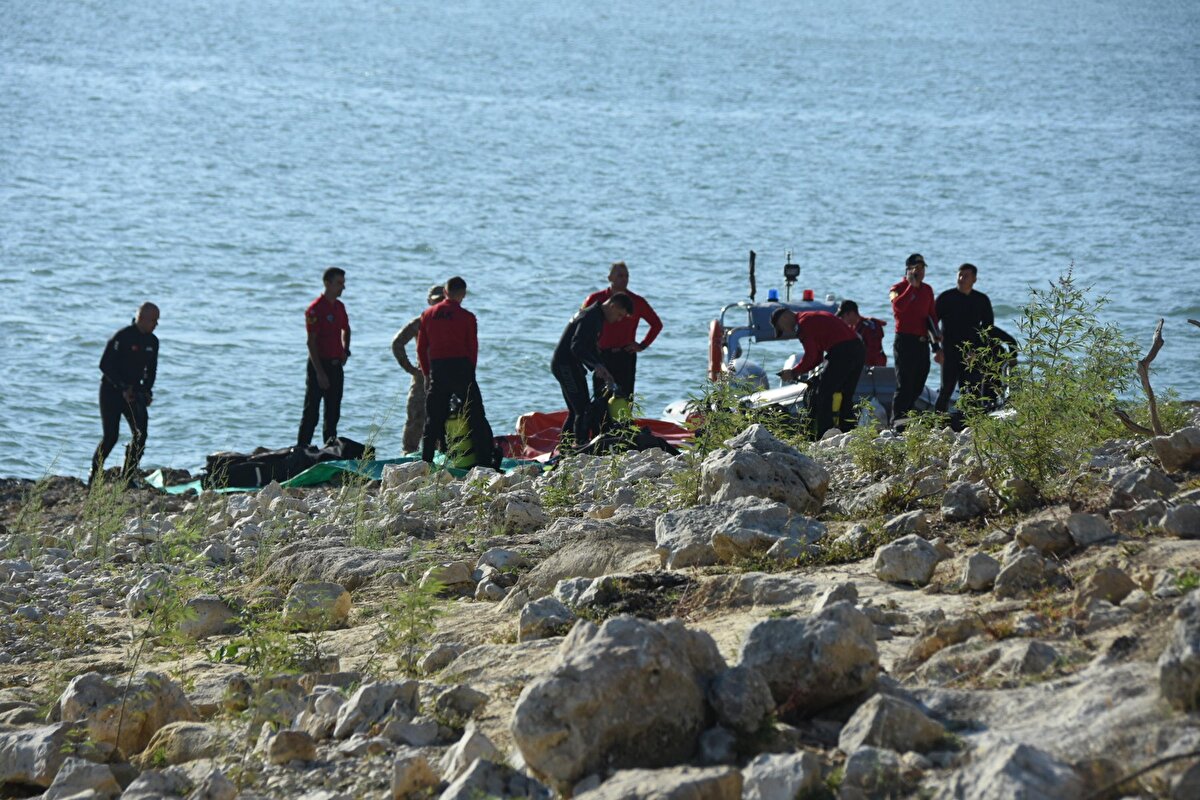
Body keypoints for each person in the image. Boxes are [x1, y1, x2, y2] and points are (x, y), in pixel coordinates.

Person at [417, 276, 496, 467]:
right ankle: (485, 461)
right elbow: (472, 349)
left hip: (438, 369)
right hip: (462, 368)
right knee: (476, 415)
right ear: (464, 295)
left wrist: (427, 374)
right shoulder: (468, 317)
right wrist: (471, 373)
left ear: (445, 292)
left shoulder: (428, 314)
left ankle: (425, 461)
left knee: (433, 418)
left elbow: (421, 348)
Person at [551, 294, 634, 449]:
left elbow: (590, 348)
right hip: (565, 366)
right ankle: (580, 446)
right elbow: (576, 346)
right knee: (582, 409)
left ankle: (565, 448)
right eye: (619, 315)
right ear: (613, 306)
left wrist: (602, 367)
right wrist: (596, 366)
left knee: (575, 409)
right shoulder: (590, 317)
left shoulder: (596, 316)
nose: (618, 320)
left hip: (571, 365)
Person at [89, 302, 160, 486]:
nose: (156, 324)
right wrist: (122, 387)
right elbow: (104, 365)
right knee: (111, 436)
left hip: (134, 394)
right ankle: (95, 475)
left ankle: (126, 477)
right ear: (141, 319)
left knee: (140, 435)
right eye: (153, 320)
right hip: (111, 391)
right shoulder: (123, 336)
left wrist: (147, 390)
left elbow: (151, 371)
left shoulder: (153, 341)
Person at [772, 308, 866, 436]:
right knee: (846, 394)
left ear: (784, 318)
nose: (786, 332)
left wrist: (794, 372)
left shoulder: (803, 323)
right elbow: (816, 357)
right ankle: (848, 431)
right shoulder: (810, 317)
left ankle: (825, 434)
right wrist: (796, 371)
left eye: (781, 328)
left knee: (823, 393)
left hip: (842, 351)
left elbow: (811, 355)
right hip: (857, 349)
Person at [581, 261, 662, 409]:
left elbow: (656, 324)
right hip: (601, 356)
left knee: (624, 399)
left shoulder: (637, 301)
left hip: (626, 355)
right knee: (601, 399)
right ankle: (600, 429)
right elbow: (580, 325)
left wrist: (642, 345)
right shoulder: (595, 299)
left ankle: (624, 430)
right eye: (619, 275)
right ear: (610, 278)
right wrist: (589, 349)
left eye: (626, 276)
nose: (624, 279)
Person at [298, 267, 351, 447]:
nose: (342, 288)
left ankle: (329, 449)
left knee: (333, 412)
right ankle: (301, 449)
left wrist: (346, 350)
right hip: (318, 365)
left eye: (343, 284)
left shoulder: (339, 307)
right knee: (311, 412)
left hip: (336, 365)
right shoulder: (315, 310)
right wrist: (320, 373)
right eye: (339, 284)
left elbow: (346, 329)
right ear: (327, 283)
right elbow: (311, 342)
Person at [392, 284, 446, 453]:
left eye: (442, 300)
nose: (438, 304)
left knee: (442, 421)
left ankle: (439, 457)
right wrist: (410, 368)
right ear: (429, 301)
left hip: (443, 378)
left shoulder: (450, 323)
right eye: (435, 301)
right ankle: (408, 455)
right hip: (422, 378)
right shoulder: (420, 322)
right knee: (415, 419)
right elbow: (397, 343)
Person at [935, 263, 995, 412]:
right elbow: (931, 325)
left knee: (972, 392)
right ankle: (936, 423)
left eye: (966, 276)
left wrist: (977, 351)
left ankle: (971, 425)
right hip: (949, 352)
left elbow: (988, 328)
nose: (961, 278)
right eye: (959, 275)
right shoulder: (946, 297)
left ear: (974, 279)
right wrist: (936, 349)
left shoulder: (981, 300)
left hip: (972, 354)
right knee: (946, 389)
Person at [889, 254, 943, 421]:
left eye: (922, 268)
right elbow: (898, 307)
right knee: (905, 384)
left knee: (919, 383)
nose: (920, 272)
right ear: (908, 270)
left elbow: (931, 317)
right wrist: (911, 287)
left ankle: (907, 418)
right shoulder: (896, 288)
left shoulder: (927, 290)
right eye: (916, 269)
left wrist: (936, 345)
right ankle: (897, 420)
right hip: (905, 342)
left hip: (922, 343)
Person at [835, 300, 888, 367]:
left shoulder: (869, 327)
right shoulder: (851, 328)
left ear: (851, 314)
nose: (842, 320)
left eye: (843, 317)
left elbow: (873, 352)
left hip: (873, 367)